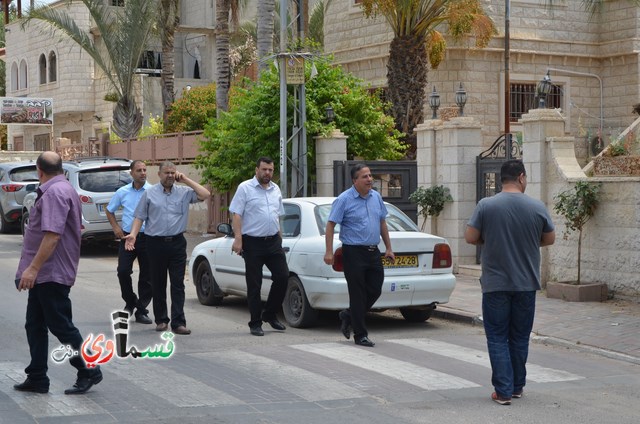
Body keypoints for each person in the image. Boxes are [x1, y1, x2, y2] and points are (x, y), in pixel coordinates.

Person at [464, 159, 555, 406]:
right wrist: (526, 241)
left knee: (497, 337)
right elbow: (549, 239)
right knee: (519, 337)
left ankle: (502, 391)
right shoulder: (537, 206)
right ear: (522, 177)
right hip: (526, 284)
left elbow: (470, 237)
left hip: (496, 284)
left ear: (502, 179)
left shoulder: (486, 205)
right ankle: (516, 387)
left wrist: (491, 239)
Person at [14, 151, 103, 395]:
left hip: (50, 272)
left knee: (61, 325)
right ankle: (37, 376)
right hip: (45, 273)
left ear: (38, 170)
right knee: (35, 324)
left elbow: (52, 236)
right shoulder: (62, 188)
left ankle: (89, 369)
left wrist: (32, 268)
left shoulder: (54, 193)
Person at [125, 161, 210, 335]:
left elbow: (205, 194)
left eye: (173, 173)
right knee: (158, 283)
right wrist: (133, 234)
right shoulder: (149, 194)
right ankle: (161, 320)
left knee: (178, 284)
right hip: (154, 243)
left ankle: (178, 322)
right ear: (159, 174)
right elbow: (139, 217)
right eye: (166, 173)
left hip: (177, 243)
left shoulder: (184, 193)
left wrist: (185, 179)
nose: (170, 176)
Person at [323, 163, 394, 347]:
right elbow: (330, 225)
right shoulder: (344, 199)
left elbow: (382, 222)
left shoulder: (376, 197)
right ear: (355, 181)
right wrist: (329, 251)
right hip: (353, 252)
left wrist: (388, 248)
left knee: (375, 289)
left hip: (373, 252)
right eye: (365, 177)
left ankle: (348, 314)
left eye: (370, 176)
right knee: (357, 294)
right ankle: (360, 334)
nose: (369, 179)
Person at [229, 157, 289, 337]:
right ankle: (255, 323)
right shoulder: (245, 188)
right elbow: (237, 215)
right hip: (252, 243)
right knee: (254, 284)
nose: (267, 173)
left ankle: (269, 314)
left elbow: (277, 215)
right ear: (257, 170)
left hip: (273, 242)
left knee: (283, 276)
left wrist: (280, 236)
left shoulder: (275, 189)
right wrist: (238, 239)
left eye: (270, 170)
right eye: (264, 169)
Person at [106, 160, 153, 324]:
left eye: (145, 170)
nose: (143, 173)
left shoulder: (153, 191)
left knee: (147, 276)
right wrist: (116, 228)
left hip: (148, 237)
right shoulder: (123, 192)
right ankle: (131, 300)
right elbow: (109, 210)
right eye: (139, 170)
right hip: (127, 237)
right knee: (123, 271)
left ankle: (141, 310)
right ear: (131, 173)